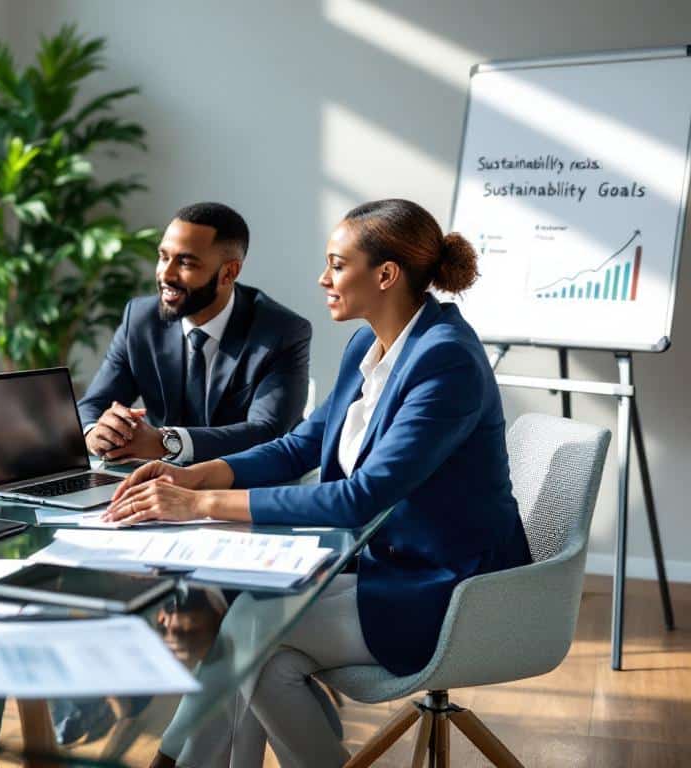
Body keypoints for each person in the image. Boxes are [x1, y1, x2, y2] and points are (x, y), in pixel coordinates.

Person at [106, 199, 533, 767]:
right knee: (262, 655)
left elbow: (360, 497)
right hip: (386, 565)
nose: (323, 278)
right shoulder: (369, 344)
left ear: (385, 275)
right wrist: (194, 473)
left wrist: (199, 501)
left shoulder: (446, 361)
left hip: (451, 586)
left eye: (336, 264)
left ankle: (170, 760)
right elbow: (301, 446)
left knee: (250, 630)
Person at [78, 202, 311, 466]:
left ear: (228, 272)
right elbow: (91, 405)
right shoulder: (140, 319)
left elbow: (267, 431)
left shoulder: (281, 331)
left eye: (185, 262)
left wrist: (166, 441)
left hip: (241, 487)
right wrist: (95, 432)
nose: (166, 274)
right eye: (163, 257)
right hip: (155, 480)